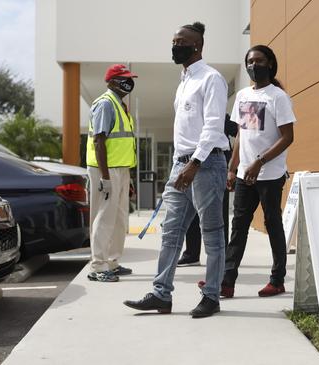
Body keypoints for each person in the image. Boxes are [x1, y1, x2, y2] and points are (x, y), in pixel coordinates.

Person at [123, 21, 229, 318]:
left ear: (198, 46)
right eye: (173, 41)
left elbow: (212, 126)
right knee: (170, 232)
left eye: (181, 41)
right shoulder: (184, 80)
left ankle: (211, 297)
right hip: (180, 165)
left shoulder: (211, 78)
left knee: (212, 234)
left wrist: (194, 164)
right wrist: (180, 165)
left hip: (205, 165)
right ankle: (161, 294)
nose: (175, 46)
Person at [199, 44, 295, 298]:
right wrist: (233, 168)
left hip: (270, 175)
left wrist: (259, 162)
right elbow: (242, 134)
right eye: (250, 61)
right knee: (238, 226)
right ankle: (227, 282)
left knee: (272, 224)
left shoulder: (278, 97)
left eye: (259, 61)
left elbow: (288, 137)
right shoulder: (243, 95)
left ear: (271, 64)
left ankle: (277, 280)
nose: (254, 65)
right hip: (244, 174)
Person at [86, 64, 137, 282]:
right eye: (122, 78)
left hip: (120, 169)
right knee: (104, 217)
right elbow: (99, 141)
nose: (127, 82)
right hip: (105, 170)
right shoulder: (106, 104)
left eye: (129, 78)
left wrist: (128, 178)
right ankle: (98, 266)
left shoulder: (120, 105)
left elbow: (122, 144)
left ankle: (113, 261)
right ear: (111, 82)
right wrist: (106, 178)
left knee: (119, 218)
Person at [177, 114, 237, 267]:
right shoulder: (193, 115)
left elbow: (240, 134)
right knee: (192, 211)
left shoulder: (219, 116)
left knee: (218, 215)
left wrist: (233, 166)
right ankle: (191, 254)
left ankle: (221, 257)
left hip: (216, 167)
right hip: (193, 166)